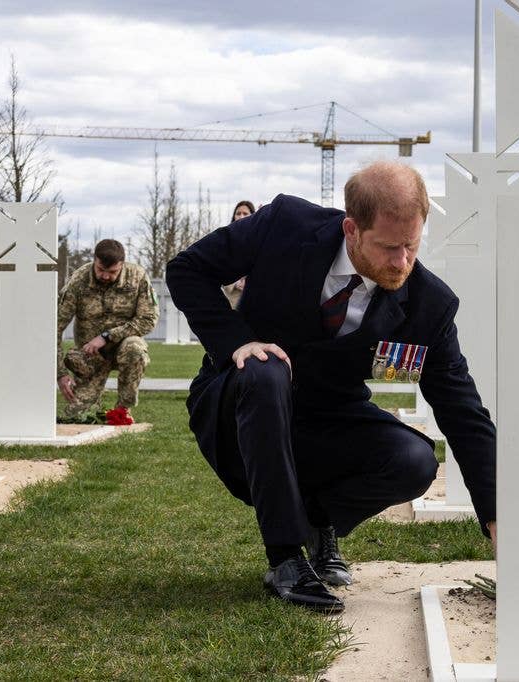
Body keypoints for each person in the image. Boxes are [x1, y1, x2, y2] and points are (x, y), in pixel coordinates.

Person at [165, 161, 496, 613]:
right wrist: (236, 342)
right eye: (388, 247)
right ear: (351, 229)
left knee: (415, 461)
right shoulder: (283, 226)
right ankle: (285, 560)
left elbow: (463, 412)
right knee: (266, 368)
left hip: (327, 421)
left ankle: (320, 522)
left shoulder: (427, 307)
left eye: (412, 246)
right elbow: (187, 270)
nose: (402, 263)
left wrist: (495, 514)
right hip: (240, 405)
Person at [56, 239, 159, 421]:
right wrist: (61, 374)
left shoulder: (137, 277)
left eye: (112, 272)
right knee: (77, 417)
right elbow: (55, 327)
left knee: (135, 348)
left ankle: (122, 409)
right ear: (94, 260)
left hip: (124, 348)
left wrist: (107, 336)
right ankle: (91, 402)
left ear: (122, 265)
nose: (105, 276)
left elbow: (148, 319)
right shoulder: (78, 281)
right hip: (91, 357)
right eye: (101, 270)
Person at [221, 200, 256, 309]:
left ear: (252, 216)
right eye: (238, 213)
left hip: (255, 300)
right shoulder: (227, 242)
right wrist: (235, 283)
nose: (241, 216)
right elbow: (221, 269)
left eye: (245, 214)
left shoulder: (259, 241)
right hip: (234, 301)